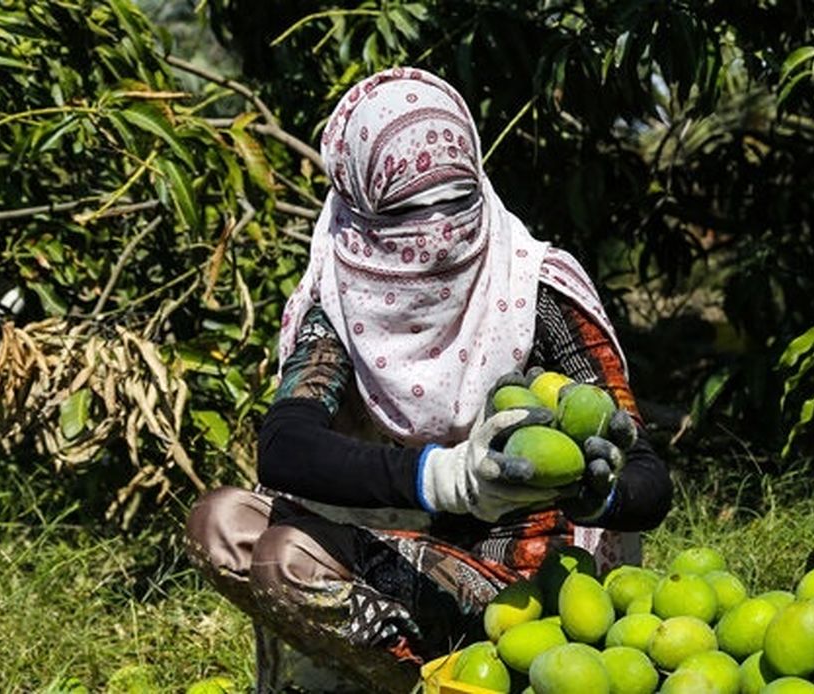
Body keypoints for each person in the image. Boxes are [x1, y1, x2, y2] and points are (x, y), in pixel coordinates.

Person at [184, 66, 671, 692]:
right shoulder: (338, 304)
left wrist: (598, 494)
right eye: (410, 213)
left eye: (456, 203)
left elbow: (648, 478)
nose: (438, 235)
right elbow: (285, 446)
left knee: (288, 558)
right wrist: (447, 478)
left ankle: (459, 678)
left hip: (520, 576)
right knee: (223, 523)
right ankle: (390, 671)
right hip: (377, 549)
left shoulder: (532, 290)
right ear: (359, 207)